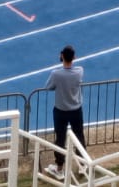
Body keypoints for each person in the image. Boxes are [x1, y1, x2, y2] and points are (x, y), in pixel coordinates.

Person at [44, 45, 85, 178]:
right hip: (76, 109)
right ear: (74, 57)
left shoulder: (56, 74)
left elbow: (48, 87)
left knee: (60, 139)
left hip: (61, 110)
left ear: (62, 56)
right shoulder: (79, 71)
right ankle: (83, 165)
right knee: (79, 136)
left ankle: (60, 167)